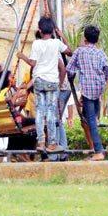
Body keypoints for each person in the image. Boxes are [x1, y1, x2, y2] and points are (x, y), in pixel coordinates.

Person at [17, 17, 72, 153]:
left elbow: (33, 63)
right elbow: (70, 51)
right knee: (51, 111)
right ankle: (52, 143)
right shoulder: (56, 43)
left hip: (39, 80)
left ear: (40, 31)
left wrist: (22, 56)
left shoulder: (36, 44)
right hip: (52, 81)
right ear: (52, 30)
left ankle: (41, 142)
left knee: (40, 112)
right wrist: (61, 36)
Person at [66, 25, 108, 161]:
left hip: (87, 89)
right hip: (98, 89)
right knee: (91, 120)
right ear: (97, 39)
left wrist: (73, 77)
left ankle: (98, 151)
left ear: (85, 38)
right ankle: (95, 148)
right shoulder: (101, 54)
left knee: (91, 120)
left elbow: (70, 69)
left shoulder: (80, 51)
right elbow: (107, 72)